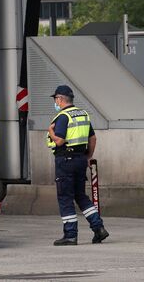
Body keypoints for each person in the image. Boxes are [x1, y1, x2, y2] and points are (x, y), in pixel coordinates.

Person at [47, 85, 108, 246]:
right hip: (80, 159)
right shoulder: (83, 114)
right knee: (81, 196)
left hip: (65, 160)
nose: (55, 102)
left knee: (65, 197)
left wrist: (50, 132)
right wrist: (88, 156)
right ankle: (98, 228)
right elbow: (93, 139)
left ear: (60, 99)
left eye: (55, 99)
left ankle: (70, 235)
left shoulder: (63, 117)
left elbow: (59, 140)